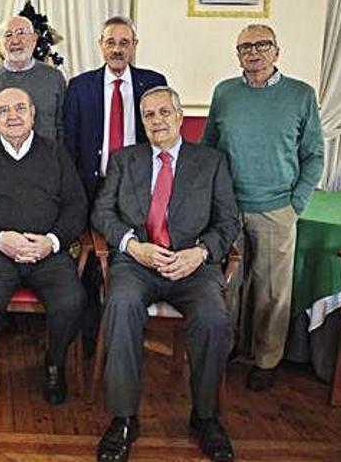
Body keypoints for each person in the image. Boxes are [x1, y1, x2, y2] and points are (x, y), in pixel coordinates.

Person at [92, 86, 239, 462]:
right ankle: (124, 418)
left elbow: (227, 222)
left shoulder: (211, 161)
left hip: (192, 266)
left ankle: (205, 417)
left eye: (164, 113)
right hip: (138, 263)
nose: (156, 121)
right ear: (142, 122)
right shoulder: (125, 159)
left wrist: (201, 253)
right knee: (120, 306)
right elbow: (102, 213)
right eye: (148, 115)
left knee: (213, 317)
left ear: (179, 117)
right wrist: (131, 245)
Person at [202, 24, 324, 392]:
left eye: (261, 45)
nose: (253, 53)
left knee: (272, 289)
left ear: (276, 50)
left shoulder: (301, 95)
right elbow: (208, 148)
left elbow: (314, 155)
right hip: (228, 208)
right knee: (226, 284)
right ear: (237, 54)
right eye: (244, 47)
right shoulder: (224, 93)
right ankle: (224, 349)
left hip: (277, 207)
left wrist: (296, 203)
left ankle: (267, 359)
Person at [0, 87, 88, 405]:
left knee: (72, 302)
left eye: (19, 108)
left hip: (47, 252)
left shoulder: (55, 152)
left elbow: (76, 206)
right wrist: (0, 238)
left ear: (33, 114)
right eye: (4, 110)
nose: (12, 115)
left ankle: (55, 364)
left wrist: (52, 242)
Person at [63, 16, 167, 200]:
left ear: (134, 45)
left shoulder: (154, 83)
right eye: (110, 43)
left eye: (124, 43)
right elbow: (70, 143)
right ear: (101, 44)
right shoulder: (80, 87)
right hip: (93, 188)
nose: (117, 50)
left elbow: (165, 135)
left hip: (140, 185)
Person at [0, 16, 65, 144]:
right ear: (0, 45)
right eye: (8, 35)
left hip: (45, 161)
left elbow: (62, 127)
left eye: (21, 33)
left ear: (34, 39)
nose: (15, 41)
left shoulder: (54, 77)